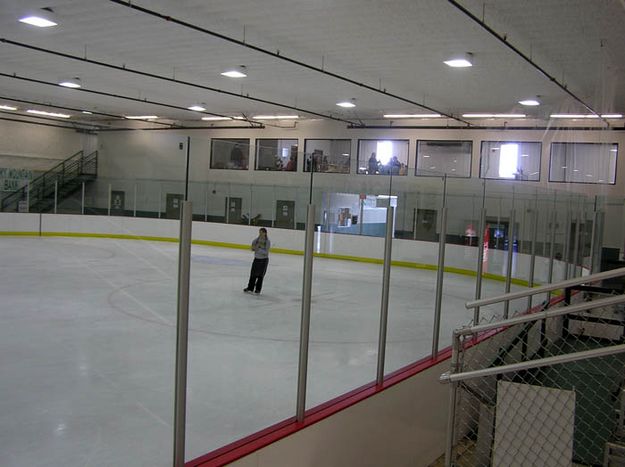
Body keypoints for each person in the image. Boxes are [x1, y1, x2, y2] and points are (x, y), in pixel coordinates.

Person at [244, 228, 271, 294]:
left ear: (265, 233)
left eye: (261, 232)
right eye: (259, 232)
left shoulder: (267, 241)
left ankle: (258, 289)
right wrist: (254, 248)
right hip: (256, 259)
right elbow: (252, 247)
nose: (260, 234)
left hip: (263, 260)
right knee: (253, 274)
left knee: (260, 276)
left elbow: (266, 252)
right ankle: (250, 288)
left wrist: (258, 249)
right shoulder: (257, 240)